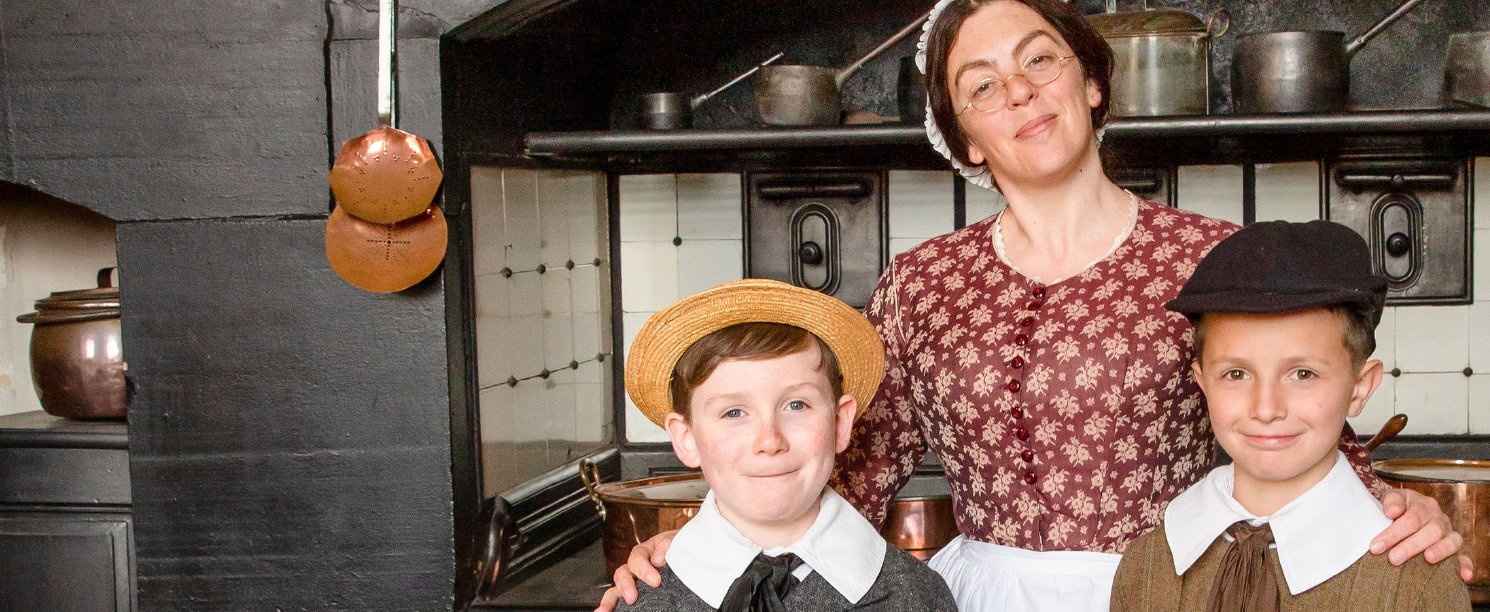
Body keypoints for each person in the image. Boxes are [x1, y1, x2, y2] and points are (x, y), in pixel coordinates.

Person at [598, 1, 1467, 610]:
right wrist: (706, 552)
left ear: (1090, 83)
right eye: (980, 84)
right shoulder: (922, 281)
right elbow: (847, 465)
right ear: (965, 137)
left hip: (1166, 590)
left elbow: (1296, 422)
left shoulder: (1204, 255)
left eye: (1038, 59)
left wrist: (1395, 516)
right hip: (977, 597)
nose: (1016, 91)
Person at [1109, 220, 1471, 612]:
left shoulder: (1416, 579)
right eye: (1236, 374)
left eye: (1303, 374)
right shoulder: (1146, 565)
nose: (1266, 409)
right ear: (1202, 383)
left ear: (1360, 388)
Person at [616, 279, 957, 612]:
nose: (770, 441)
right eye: (733, 412)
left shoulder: (916, 596)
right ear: (686, 438)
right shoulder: (644, 601)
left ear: (839, 423)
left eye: (797, 405)